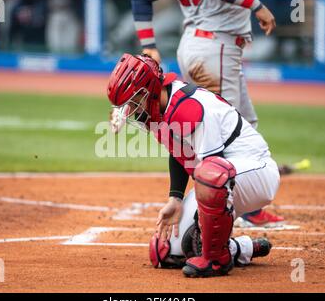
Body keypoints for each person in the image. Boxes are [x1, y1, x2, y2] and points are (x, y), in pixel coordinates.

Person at [107, 53, 279, 277]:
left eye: (134, 100)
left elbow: (213, 167)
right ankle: (242, 248)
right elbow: (180, 153)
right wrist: (175, 198)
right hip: (225, 174)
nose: (132, 109)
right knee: (166, 252)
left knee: (210, 177)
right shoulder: (158, 111)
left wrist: (200, 222)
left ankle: (217, 261)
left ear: (149, 90)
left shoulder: (189, 107)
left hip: (256, 170)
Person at [128, 0, 284, 227]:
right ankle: (218, 210)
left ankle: (249, 207)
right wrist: (258, 6)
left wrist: (148, 44)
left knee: (245, 124)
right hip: (215, 47)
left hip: (201, 45)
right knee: (217, 133)